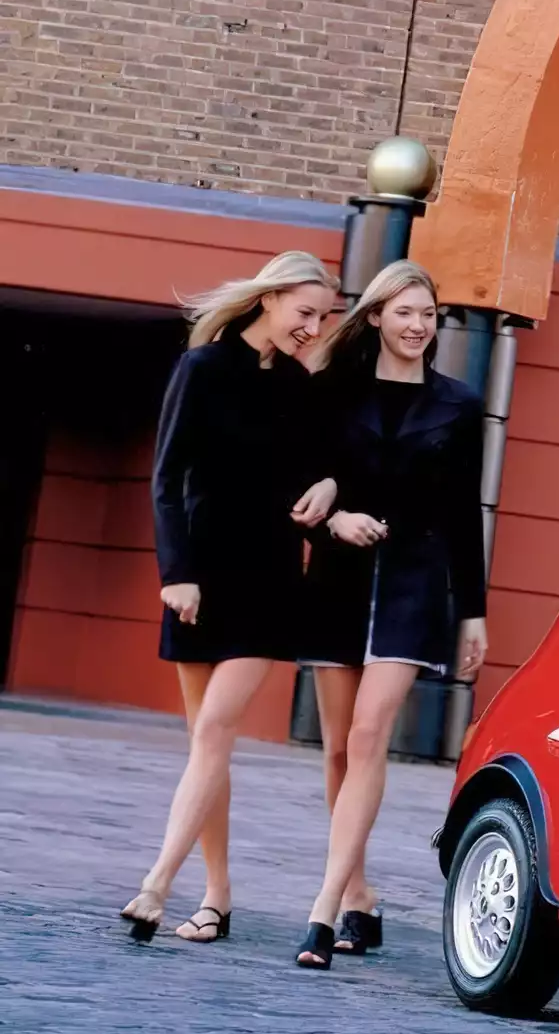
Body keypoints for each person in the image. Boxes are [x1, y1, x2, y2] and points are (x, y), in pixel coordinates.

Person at [120, 251, 341, 942]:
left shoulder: (301, 386)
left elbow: (322, 470)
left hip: (271, 580)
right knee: (204, 746)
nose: (313, 328)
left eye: (323, 318)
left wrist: (329, 484)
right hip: (199, 577)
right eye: (305, 312)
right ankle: (217, 896)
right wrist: (175, 573)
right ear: (268, 299)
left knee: (215, 730)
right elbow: (166, 479)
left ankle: (156, 884)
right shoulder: (203, 369)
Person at [296, 260, 488, 969]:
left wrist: (473, 612)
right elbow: (300, 485)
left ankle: (322, 910)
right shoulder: (331, 392)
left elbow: (463, 513)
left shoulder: (459, 405)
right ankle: (359, 896)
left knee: (370, 733)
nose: (417, 325)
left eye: (428, 314)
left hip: (414, 586)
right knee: (339, 749)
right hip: (339, 582)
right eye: (404, 312)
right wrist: (333, 520)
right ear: (375, 316)